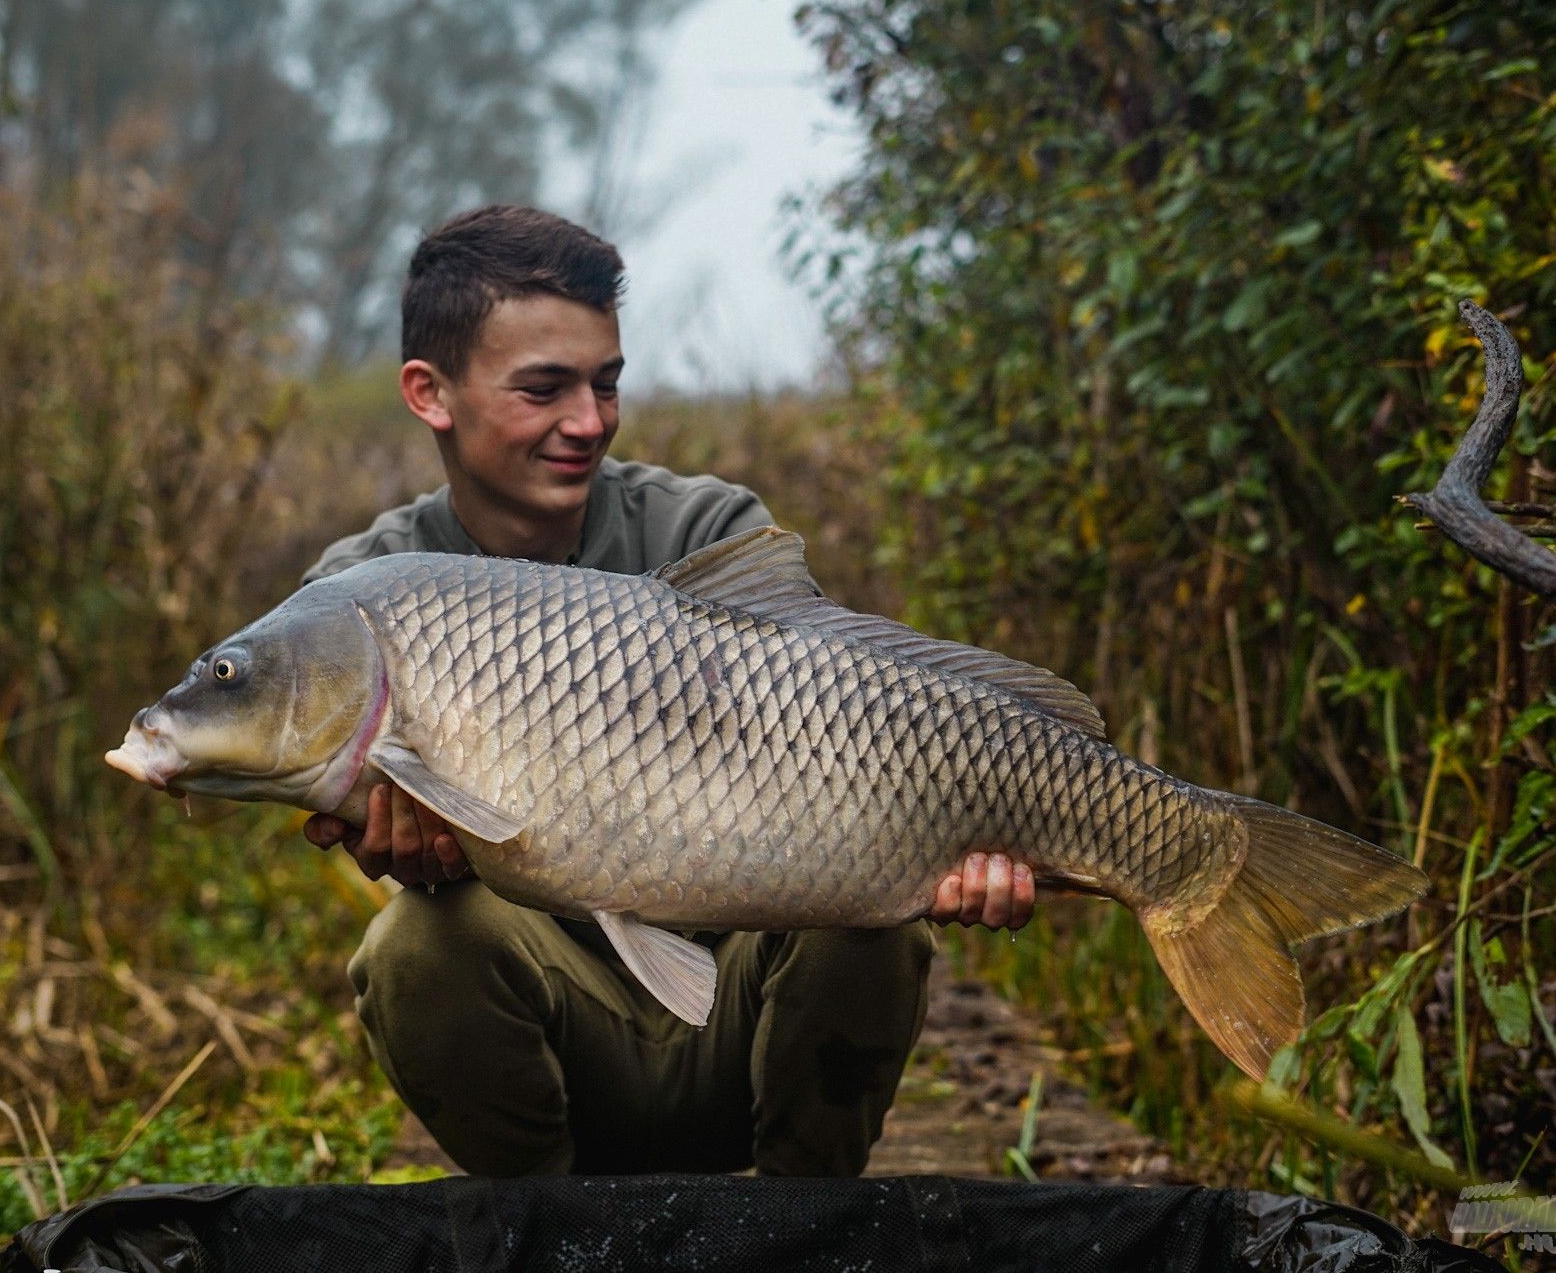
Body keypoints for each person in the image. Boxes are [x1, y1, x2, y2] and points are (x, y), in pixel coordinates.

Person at [301, 205, 1035, 1177]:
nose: (589, 422)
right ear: (430, 393)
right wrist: (419, 852)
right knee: (417, 943)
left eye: (607, 383)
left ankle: (798, 1233)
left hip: (748, 1024)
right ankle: (551, 1237)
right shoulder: (366, 592)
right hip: (555, 1050)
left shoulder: (709, 532)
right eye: (544, 388)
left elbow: (854, 749)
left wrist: (953, 846)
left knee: (871, 935)